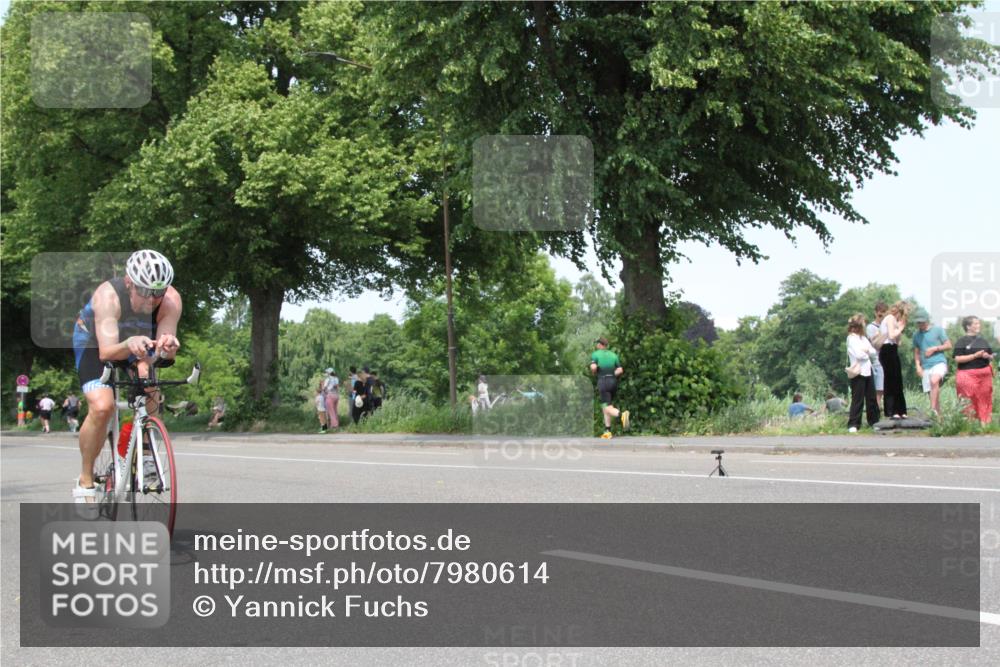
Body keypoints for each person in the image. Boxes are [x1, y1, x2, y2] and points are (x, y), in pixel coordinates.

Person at [71, 249, 181, 504]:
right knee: (102, 407)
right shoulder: (108, 296)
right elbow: (107, 351)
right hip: (94, 342)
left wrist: (166, 348)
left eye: (158, 292)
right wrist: (130, 342)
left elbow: (158, 354)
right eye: (144, 291)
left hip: (137, 340)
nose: (151, 299)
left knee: (149, 383)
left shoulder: (171, 300)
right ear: (129, 282)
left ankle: (143, 451)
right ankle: (85, 478)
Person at [953, 315, 995, 424]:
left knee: (985, 399)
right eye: (975, 323)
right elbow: (957, 359)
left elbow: (991, 356)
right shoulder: (961, 341)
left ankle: (985, 424)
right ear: (968, 326)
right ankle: (969, 424)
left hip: (984, 374)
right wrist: (975, 355)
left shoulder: (983, 340)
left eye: (978, 323)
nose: (978, 325)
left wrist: (988, 356)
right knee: (968, 399)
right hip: (967, 374)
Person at [911, 309, 951, 416]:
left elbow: (948, 345)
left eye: (922, 322)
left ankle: (932, 409)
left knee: (934, 381)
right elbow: (917, 352)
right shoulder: (916, 335)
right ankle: (938, 419)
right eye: (918, 322)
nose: (920, 324)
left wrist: (935, 348)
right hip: (926, 366)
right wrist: (918, 366)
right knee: (932, 393)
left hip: (939, 362)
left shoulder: (938, 330)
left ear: (927, 320)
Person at [846, 314, 881, 432]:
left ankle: (874, 421)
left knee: (871, 398)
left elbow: (872, 352)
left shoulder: (863, 338)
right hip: (858, 371)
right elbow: (859, 355)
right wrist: (866, 351)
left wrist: (866, 351)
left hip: (868, 370)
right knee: (857, 398)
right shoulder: (851, 338)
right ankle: (854, 424)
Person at [590, 337, 629, 439]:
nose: (596, 345)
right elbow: (620, 370)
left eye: (597, 344)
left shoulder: (596, 354)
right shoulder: (614, 355)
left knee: (607, 407)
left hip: (603, 381)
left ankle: (622, 415)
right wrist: (612, 375)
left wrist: (595, 371)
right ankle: (607, 431)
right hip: (613, 382)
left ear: (599, 344)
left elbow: (593, 367)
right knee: (606, 405)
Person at [878, 300, 910, 419]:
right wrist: (900, 328)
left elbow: (898, 342)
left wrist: (899, 330)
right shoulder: (890, 318)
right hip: (887, 350)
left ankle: (900, 409)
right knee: (891, 380)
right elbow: (891, 335)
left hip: (893, 349)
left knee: (897, 380)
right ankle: (891, 410)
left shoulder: (894, 321)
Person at [866, 301, 888, 411]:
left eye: (884, 314)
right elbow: (873, 342)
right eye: (880, 314)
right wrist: (882, 332)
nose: (882, 316)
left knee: (884, 387)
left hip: (886, 358)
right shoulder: (871, 327)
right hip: (876, 359)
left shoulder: (887, 326)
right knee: (878, 388)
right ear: (875, 313)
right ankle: (877, 408)